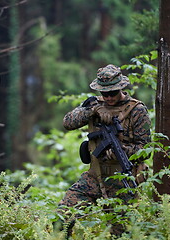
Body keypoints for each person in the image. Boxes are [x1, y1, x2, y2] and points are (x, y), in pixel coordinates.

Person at [58, 64, 151, 235]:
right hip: (95, 177)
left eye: (112, 93)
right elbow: (68, 122)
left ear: (121, 88)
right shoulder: (95, 106)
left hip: (123, 180)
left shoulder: (137, 110)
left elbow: (145, 149)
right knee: (62, 219)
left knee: (121, 233)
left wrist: (121, 151)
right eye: (104, 93)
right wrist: (93, 111)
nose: (108, 97)